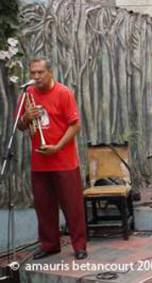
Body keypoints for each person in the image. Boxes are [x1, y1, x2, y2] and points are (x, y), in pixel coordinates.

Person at [17, 57, 87, 260]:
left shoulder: (63, 93)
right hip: (39, 161)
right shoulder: (27, 94)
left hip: (64, 160)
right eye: (33, 73)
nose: (36, 77)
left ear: (50, 73)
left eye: (40, 72)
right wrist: (25, 118)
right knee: (44, 206)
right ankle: (50, 245)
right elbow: (20, 127)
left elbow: (75, 125)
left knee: (72, 206)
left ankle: (79, 245)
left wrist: (57, 147)